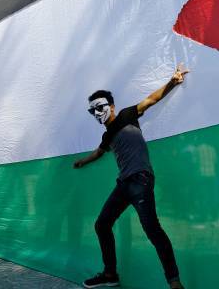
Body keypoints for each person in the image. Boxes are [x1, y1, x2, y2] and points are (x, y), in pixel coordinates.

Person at [74, 64, 189, 288]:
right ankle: (110, 275)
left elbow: (150, 100)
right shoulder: (107, 135)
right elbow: (99, 152)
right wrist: (82, 161)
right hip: (124, 184)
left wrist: (173, 81)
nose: (97, 113)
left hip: (140, 179)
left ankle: (174, 282)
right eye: (92, 111)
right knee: (102, 224)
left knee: (152, 230)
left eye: (99, 107)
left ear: (112, 106)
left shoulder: (127, 115)